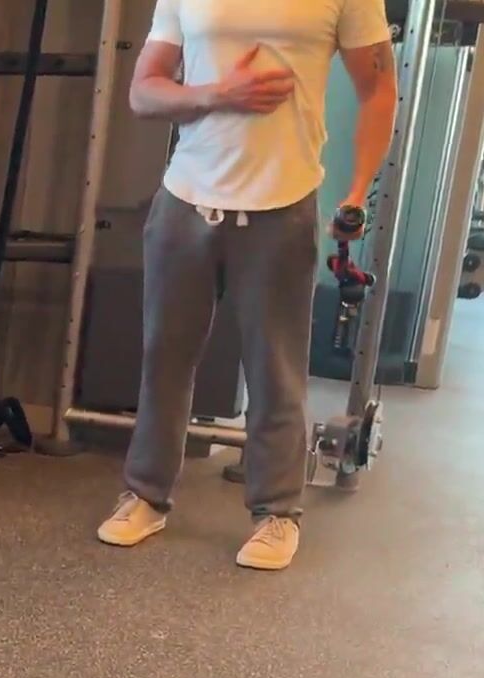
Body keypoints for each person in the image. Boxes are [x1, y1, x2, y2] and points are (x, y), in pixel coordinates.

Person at [97, 0, 397, 570]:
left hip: (283, 201)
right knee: (164, 358)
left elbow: (379, 89)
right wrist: (219, 93)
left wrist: (357, 191)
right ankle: (145, 495)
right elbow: (144, 93)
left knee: (274, 367)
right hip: (185, 197)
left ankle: (277, 513)